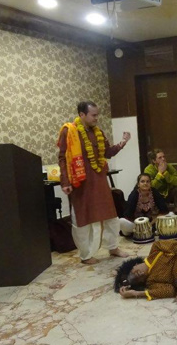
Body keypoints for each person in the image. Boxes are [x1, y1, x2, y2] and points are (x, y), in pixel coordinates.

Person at [58, 101, 130, 264]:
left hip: (99, 180)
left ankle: (113, 247)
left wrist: (123, 142)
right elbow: (62, 158)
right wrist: (65, 182)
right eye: (94, 115)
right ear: (82, 115)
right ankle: (86, 255)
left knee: (110, 215)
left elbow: (107, 152)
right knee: (84, 219)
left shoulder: (98, 132)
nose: (97, 118)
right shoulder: (69, 132)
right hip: (81, 183)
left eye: (98, 114)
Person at [144, 149, 177, 225]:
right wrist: (160, 174)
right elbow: (151, 186)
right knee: (150, 193)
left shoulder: (169, 167)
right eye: (160, 158)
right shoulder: (148, 170)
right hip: (157, 196)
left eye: (164, 157)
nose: (163, 159)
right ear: (154, 161)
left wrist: (166, 173)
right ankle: (154, 216)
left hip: (168, 193)